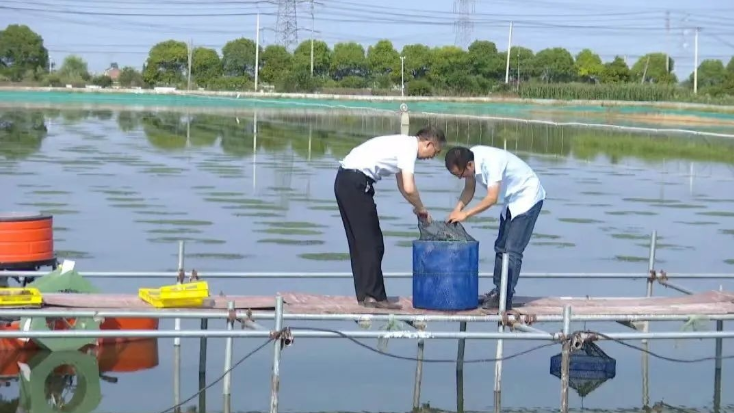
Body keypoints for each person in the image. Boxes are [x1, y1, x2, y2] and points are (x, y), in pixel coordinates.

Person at [335, 126, 447, 309]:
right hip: (356, 184)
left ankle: (365, 296)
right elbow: (409, 187)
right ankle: (375, 296)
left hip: (345, 180)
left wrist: (419, 209)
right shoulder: (409, 149)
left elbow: (402, 185)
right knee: (373, 244)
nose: (432, 157)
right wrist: (421, 207)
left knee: (359, 243)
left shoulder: (402, 144)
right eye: (435, 152)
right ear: (428, 143)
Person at [443, 145, 545, 310]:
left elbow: (491, 198)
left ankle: (506, 295)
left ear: (469, 165)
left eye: (460, 174)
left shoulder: (491, 163)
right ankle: (499, 290)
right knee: (500, 246)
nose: (460, 178)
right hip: (511, 199)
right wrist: (457, 209)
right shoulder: (470, 158)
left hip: (528, 196)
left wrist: (466, 214)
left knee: (512, 250)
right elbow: (469, 188)